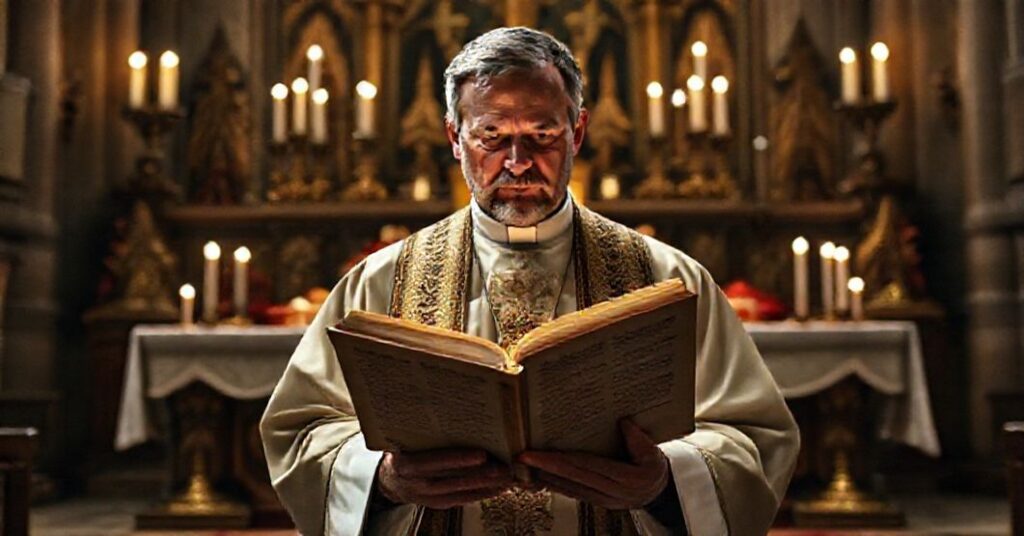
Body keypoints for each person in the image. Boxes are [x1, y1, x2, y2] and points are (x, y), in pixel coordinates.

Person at [261, 27, 799, 536]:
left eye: (542, 136)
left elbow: (754, 438)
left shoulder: (669, 280)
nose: (517, 163)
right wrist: (382, 480)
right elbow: (302, 433)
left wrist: (664, 481)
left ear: (578, 132)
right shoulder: (378, 284)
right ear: (454, 137)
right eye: (490, 137)